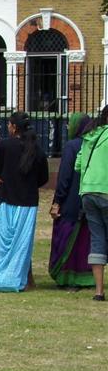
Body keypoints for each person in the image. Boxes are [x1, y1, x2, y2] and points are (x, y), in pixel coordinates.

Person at [0, 113, 49, 292]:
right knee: (21, 244)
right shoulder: (36, 149)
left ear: (14, 127)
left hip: (3, 199)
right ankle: (15, 278)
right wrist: (29, 185)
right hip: (27, 204)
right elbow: (44, 177)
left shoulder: (4, 144)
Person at [48, 114, 97, 288]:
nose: (67, 127)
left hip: (71, 200)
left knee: (67, 237)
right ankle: (87, 276)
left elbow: (65, 177)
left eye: (70, 124)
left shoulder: (72, 146)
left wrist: (57, 201)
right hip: (91, 196)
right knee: (86, 239)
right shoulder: (94, 143)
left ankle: (67, 277)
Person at [75, 105, 108, 301]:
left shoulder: (90, 135)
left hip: (87, 191)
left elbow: (78, 164)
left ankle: (98, 291)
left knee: (97, 238)